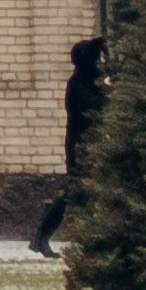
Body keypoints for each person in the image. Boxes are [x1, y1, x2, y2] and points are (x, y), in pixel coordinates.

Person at [40, 32, 111, 253]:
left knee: (80, 193)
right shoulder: (78, 84)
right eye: (95, 58)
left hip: (91, 144)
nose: (98, 62)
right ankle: (41, 237)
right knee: (74, 193)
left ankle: (42, 238)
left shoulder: (90, 79)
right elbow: (94, 109)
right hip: (79, 147)